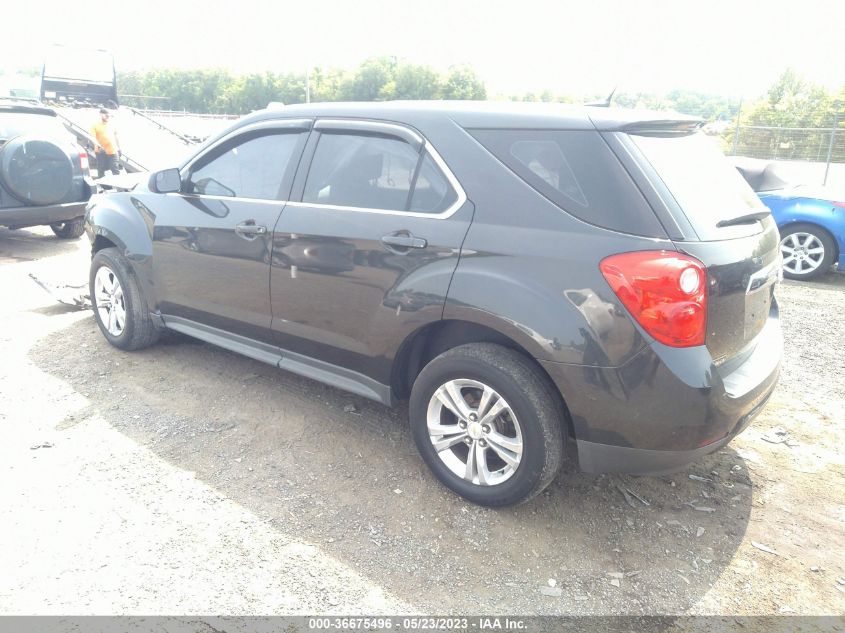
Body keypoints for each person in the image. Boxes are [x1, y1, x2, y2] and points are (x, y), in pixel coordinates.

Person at [90, 108, 121, 178]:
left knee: (115, 169)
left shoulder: (112, 124)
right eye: (106, 116)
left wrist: (119, 148)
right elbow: (93, 137)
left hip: (112, 151)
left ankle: (119, 187)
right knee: (101, 169)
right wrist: (98, 146)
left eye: (109, 116)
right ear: (101, 115)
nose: (108, 118)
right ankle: (103, 186)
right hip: (101, 151)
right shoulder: (94, 125)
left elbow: (116, 136)